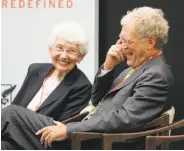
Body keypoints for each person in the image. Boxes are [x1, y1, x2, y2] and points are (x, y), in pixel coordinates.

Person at [1, 7, 174, 150]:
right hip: (84, 133)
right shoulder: (137, 68)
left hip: (87, 141)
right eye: (120, 39)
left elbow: (125, 118)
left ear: (150, 42)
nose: (120, 46)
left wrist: (68, 130)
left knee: (11, 113)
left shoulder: (156, 75)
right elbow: (97, 99)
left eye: (126, 40)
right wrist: (108, 67)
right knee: (6, 145)